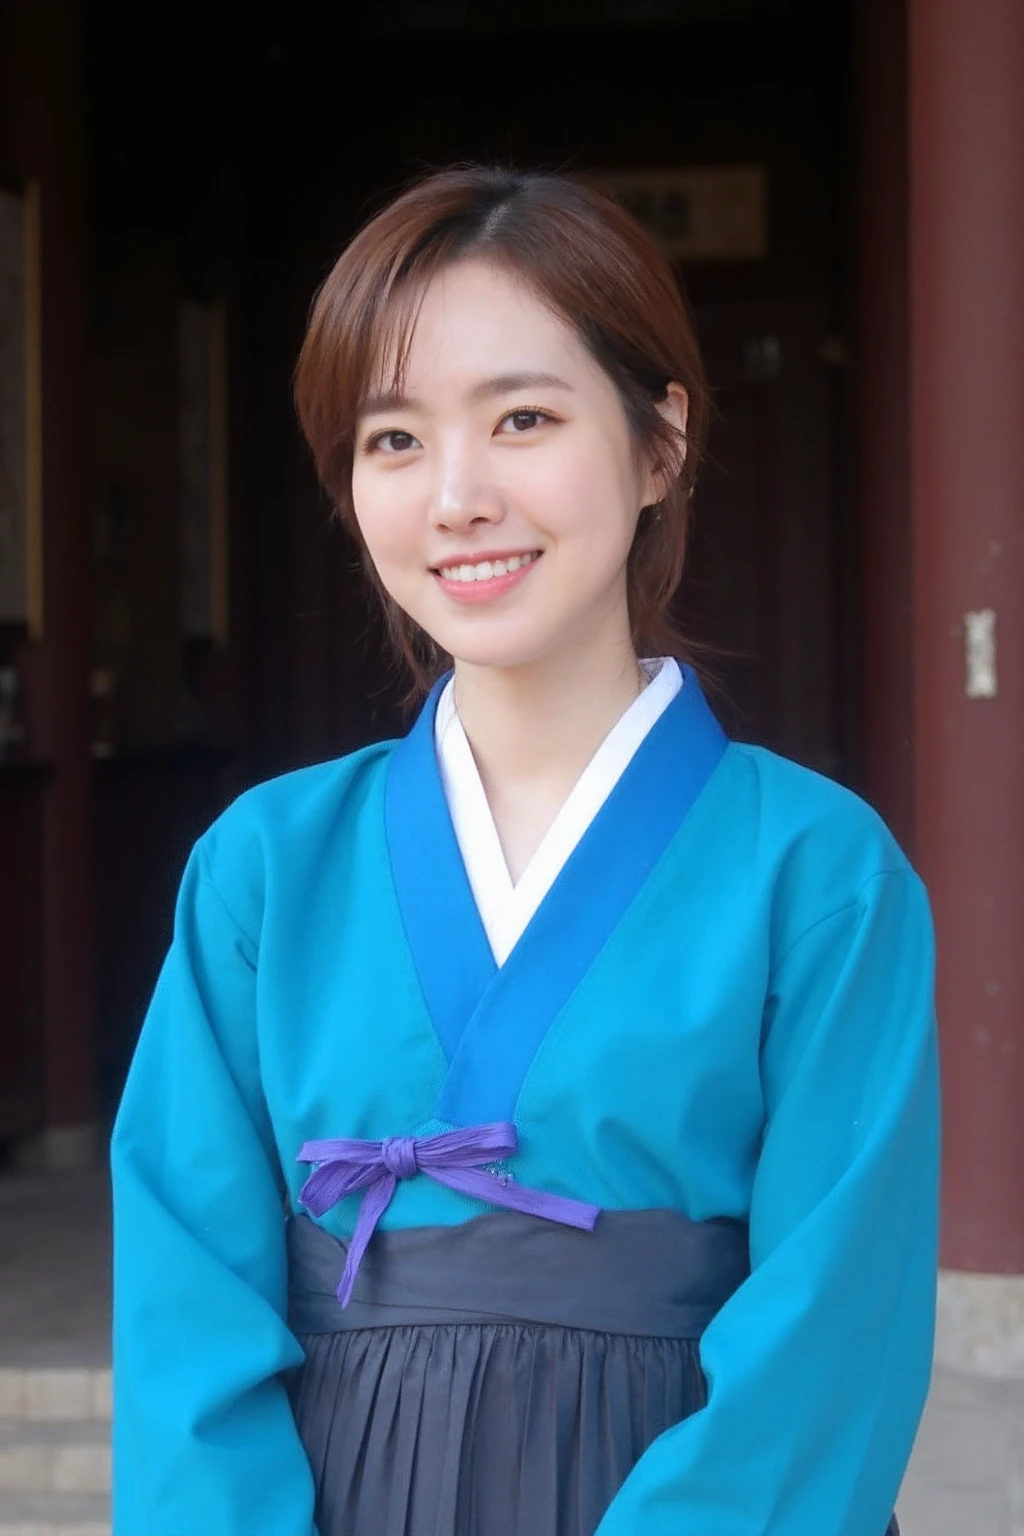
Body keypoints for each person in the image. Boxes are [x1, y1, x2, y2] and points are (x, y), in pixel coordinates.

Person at [111, 165, 939, 1536]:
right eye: (393, 440)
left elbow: (830, 1347)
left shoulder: (819, 874)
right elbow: (184, 1312)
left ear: (660, 442)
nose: (457, 497)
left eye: (524, 419)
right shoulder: (267, 865)